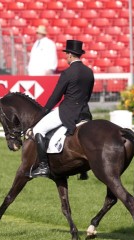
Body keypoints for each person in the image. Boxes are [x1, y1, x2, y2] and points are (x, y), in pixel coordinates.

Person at [29, 40, 95, 178]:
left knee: (38, 130)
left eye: (67, 54)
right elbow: (88, 95)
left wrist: (43, 112)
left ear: (70, 55)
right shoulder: (89, 72)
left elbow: (55, 97)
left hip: (67, 111)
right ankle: (83, 169)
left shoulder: (68, 73)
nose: (66, 57)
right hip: (84, 111)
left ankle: (43, 167)